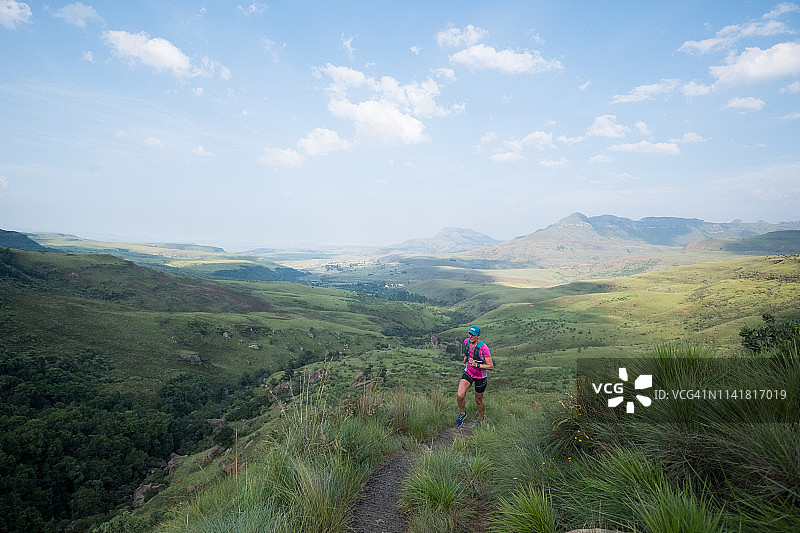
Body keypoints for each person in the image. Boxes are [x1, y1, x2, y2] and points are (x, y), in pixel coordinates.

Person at [455, 325, 494, 426]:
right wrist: (466, 358)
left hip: (480, 377)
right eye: (470, 334)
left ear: (478, 336)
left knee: (478, 400)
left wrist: (477, 365)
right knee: (460, 395)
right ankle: (462, 414)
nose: (471, 336)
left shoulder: (483, 348)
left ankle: (480, 418)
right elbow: (468, 352)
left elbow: (490, 366)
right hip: (468, 372)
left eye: (473, 335)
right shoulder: (466, 342)